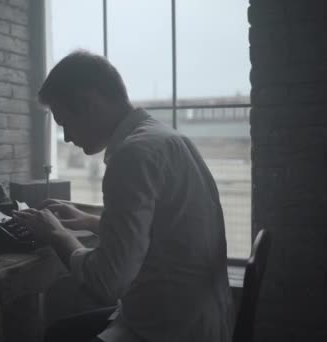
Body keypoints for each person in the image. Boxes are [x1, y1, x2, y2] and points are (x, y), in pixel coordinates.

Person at [13, 50, 234, 342]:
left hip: (168, 328)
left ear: (88, 104)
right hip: (201, 316)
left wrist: (56, 234)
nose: (66, 137)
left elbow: (105, 284)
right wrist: (89, 221)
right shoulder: (164, 137)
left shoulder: (131, 156)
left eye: (65, 122)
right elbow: (159, 228)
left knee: (57, 334)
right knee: (59, 332)